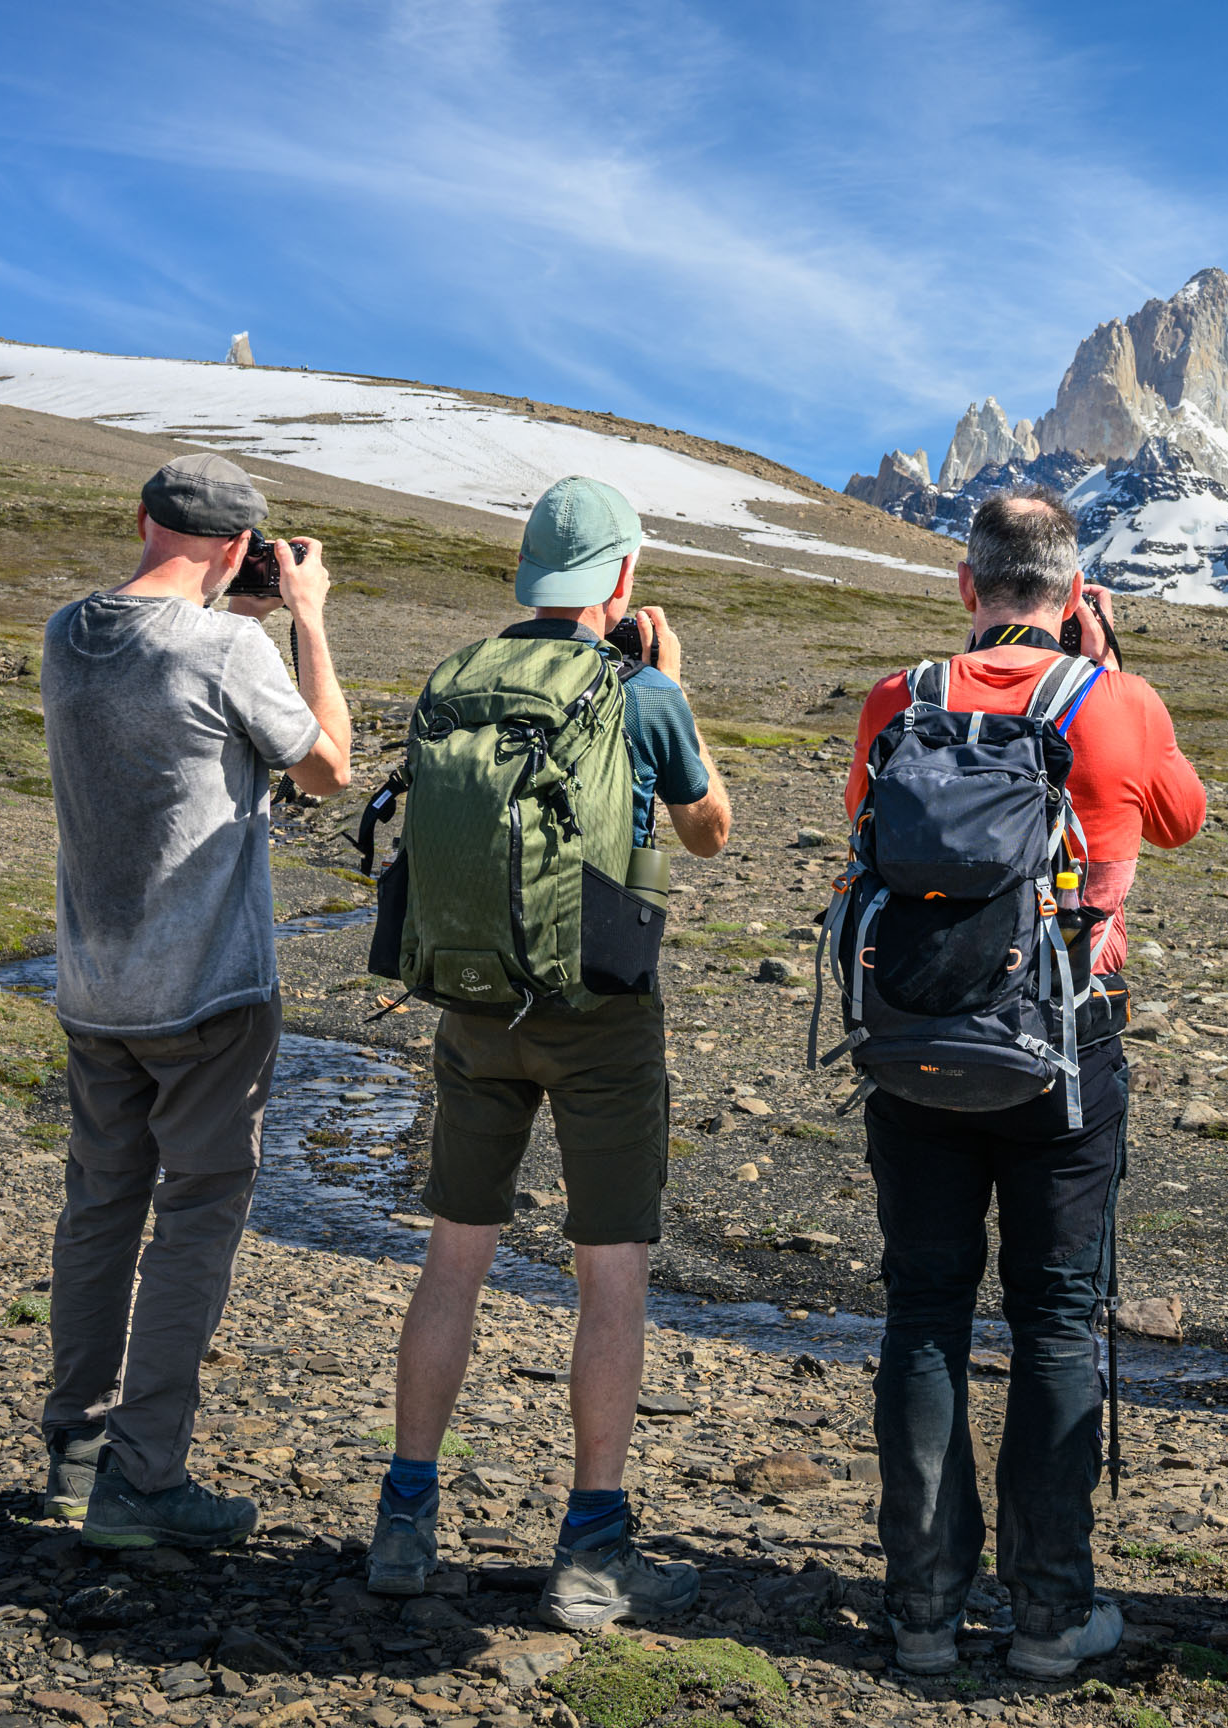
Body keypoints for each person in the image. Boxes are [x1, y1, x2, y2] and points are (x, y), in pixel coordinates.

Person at [840, 486, 1206, 1680]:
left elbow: (866, 829)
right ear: (1073, 590)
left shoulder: (902, 698)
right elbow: (1186, 817)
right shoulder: (1119, 704)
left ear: (968, 586)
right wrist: (1110, 668)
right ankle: (1049, 1614)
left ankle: (924, 1611)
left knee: (925, 1313)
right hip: (1064, 1052)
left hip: (912, 1047)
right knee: (1053, 1320)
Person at [367, 476, 732, 1628]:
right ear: (620, 581)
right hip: (602, 1017)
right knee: (607, 1269)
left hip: (473, 1005)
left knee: (455, 1257)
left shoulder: (456, 677)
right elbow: (710, 829)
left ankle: (405, 1520)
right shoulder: (640, 688)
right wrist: (671, 683)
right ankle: (590, 1550)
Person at [39, 453, 354, 1548]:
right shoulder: (232, 646)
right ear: (236, 547)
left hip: (93, 987)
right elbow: (326, 769)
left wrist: (231, 597)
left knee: (100, 1210)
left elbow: (156, 646)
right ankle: (145, 1480)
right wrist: (305, 620)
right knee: (195, 1223)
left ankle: (73, 1453)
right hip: (208, 990)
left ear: (139, 519)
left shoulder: (64, 634)